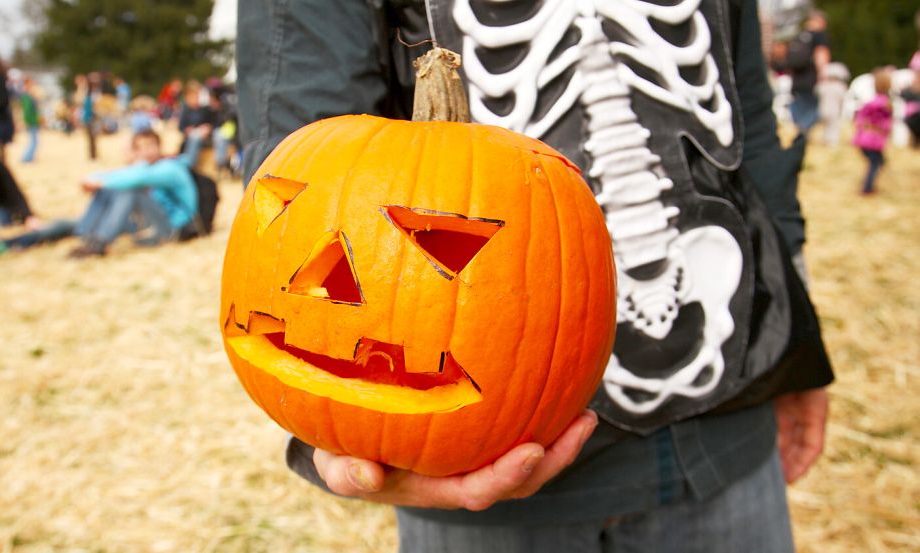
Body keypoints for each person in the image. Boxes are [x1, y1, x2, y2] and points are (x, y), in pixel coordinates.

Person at [236, 1, 833, 552]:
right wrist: (332, 429)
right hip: (476, 459)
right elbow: (308, 162)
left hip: (728, 410)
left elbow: (748, 119)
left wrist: (797, 342)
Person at [0, 130, 198, 258]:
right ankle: (11, 244)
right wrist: (96, 180)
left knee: (126, 190)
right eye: (141, 147)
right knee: (65, 224)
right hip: (143, 224)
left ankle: (99, 242)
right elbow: (123, 175)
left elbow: (134, 179)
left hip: (170, 230)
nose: (147, 151)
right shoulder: (145, 169)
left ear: (159, 146)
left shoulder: (170, 168)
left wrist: (97, 181)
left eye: (151, 145)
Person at [852, 68, 894, 196]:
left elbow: (859, 119)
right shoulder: (886, 104)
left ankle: (868, 183)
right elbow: (886, 124)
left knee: (876, 162)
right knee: (875, 163)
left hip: (864, 139)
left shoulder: (870, 102)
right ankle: (868, 187)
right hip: (874, 140)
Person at [816, 62, 849, 147]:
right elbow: (844, 98)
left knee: (826, 126)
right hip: (835, 110)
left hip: (823, 109)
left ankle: (826, 139)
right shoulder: (840, 87)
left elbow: (817, 92)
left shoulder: (823, 85)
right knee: (833, 126)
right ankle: (832, 142)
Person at [19, 76, 41, 163]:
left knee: (33, 139)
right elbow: (27, 110)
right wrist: (26, 120)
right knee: (34, 140)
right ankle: (27, 157)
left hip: (32, 119)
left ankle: (28, 157)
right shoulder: (27, 95)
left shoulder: (27, 94)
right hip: (31, 119)